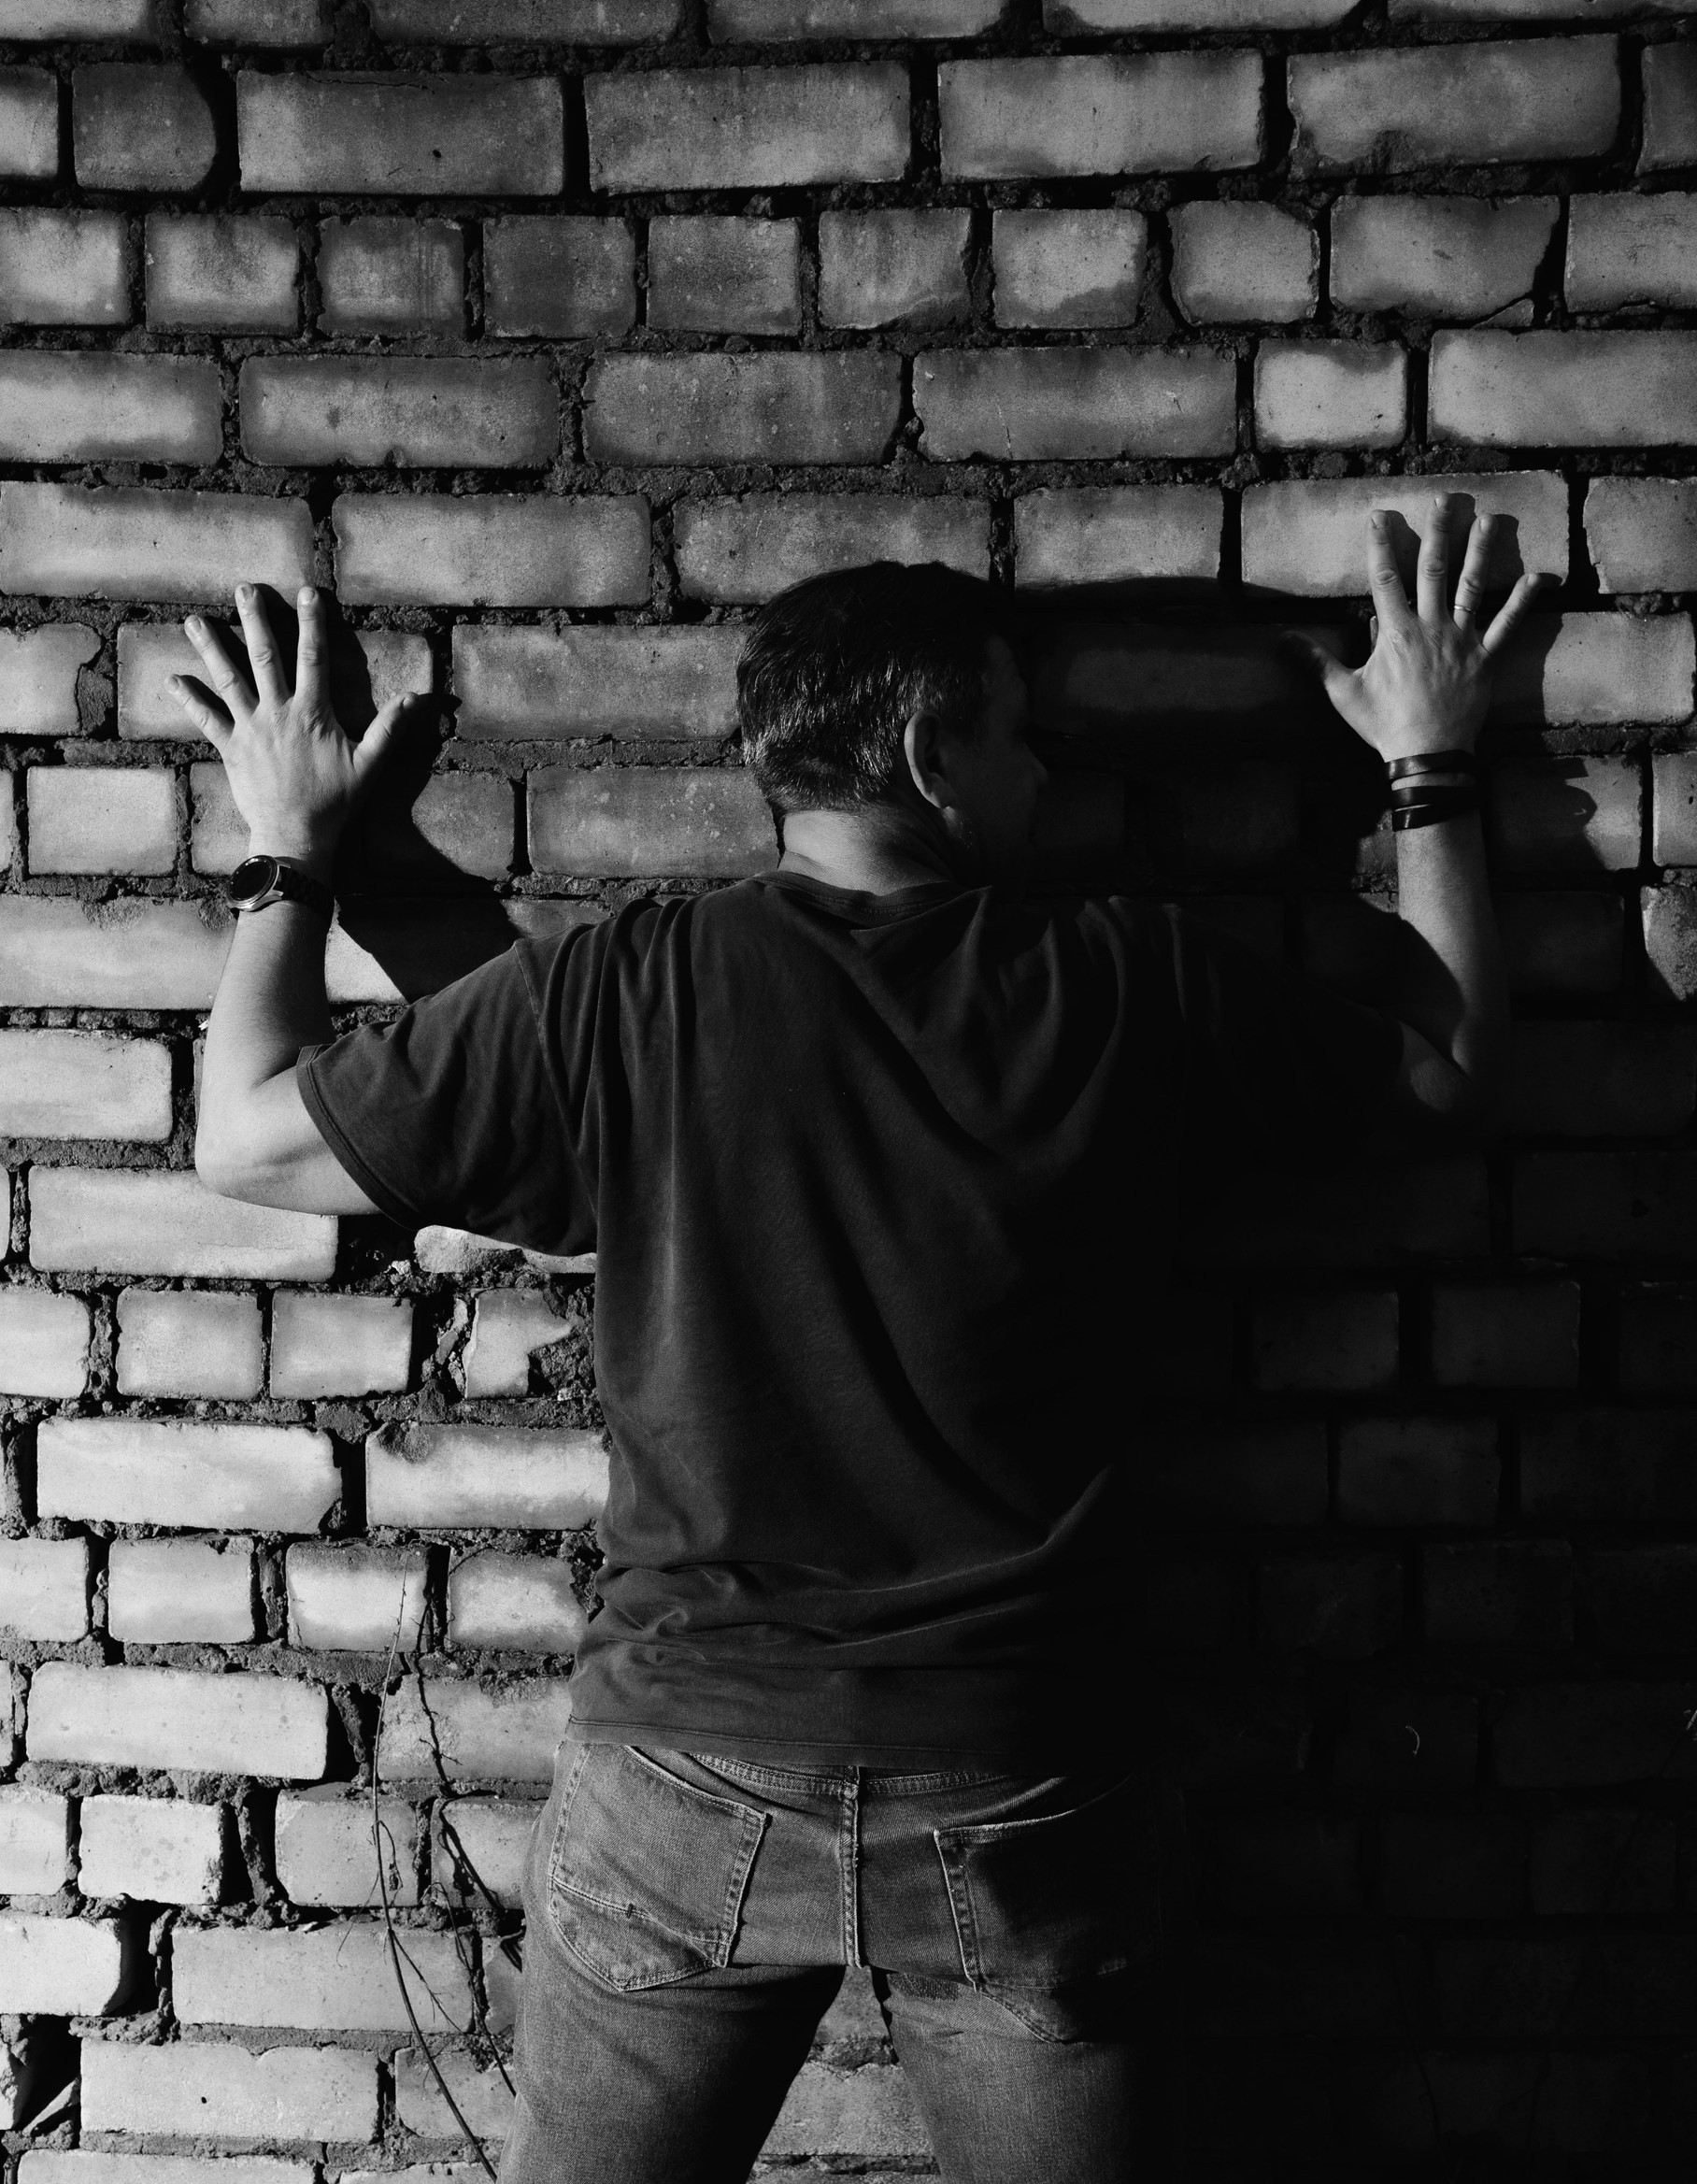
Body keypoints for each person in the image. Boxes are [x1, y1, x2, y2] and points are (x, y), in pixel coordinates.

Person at [171, 500, 1539, 2184]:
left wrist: (293, 850)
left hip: (688, 1762)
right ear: (930, 751)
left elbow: (247, 1141)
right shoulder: (1124, 981)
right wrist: (1434, 768)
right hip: (1022, 1773)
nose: (1042, 771)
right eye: (1016, 733)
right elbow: (1449, 1071)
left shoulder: (622, 991)